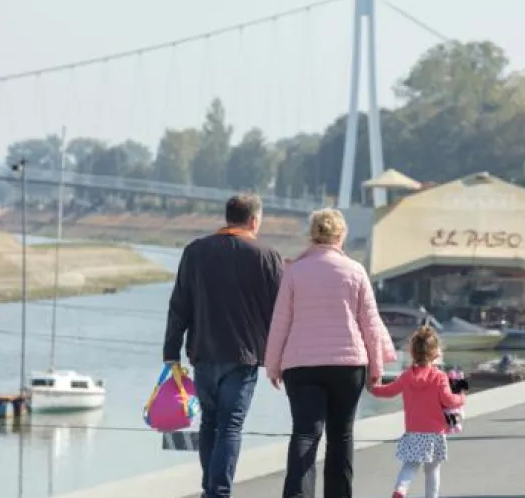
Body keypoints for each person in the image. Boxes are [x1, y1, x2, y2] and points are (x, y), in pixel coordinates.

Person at [264, 208, 397, 498]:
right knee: (341, 436)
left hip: (302, 366)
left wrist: (272, 364)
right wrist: (376, 367)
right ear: (341, 235)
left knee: (305, 434)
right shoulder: (356, 270)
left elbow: (280, 320)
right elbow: (370, 323)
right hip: (348, 366)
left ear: (312, 234)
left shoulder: (295, 271)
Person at [162, 194, 284, 498]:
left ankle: (210, 490)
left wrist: (170, 353)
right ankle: (218, 492)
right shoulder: (267, 255)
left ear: (228, 217)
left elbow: (179, 305)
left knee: (210, 423)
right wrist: (281, 355)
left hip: (203, 352)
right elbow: (281, 311)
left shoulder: (195, 251)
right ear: (254, 221)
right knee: (230, 426)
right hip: (244, 355)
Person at [369, 325, 466, 498]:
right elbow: (448, 400)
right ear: (436, 353)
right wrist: (462, 397)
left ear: (413, 352)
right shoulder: (439, 377)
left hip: (414, 431)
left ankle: (400, 490)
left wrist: (373, 388)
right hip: (435, 433)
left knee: (410, 465)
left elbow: (389, 391)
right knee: (432, 470)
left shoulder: (406, 376)